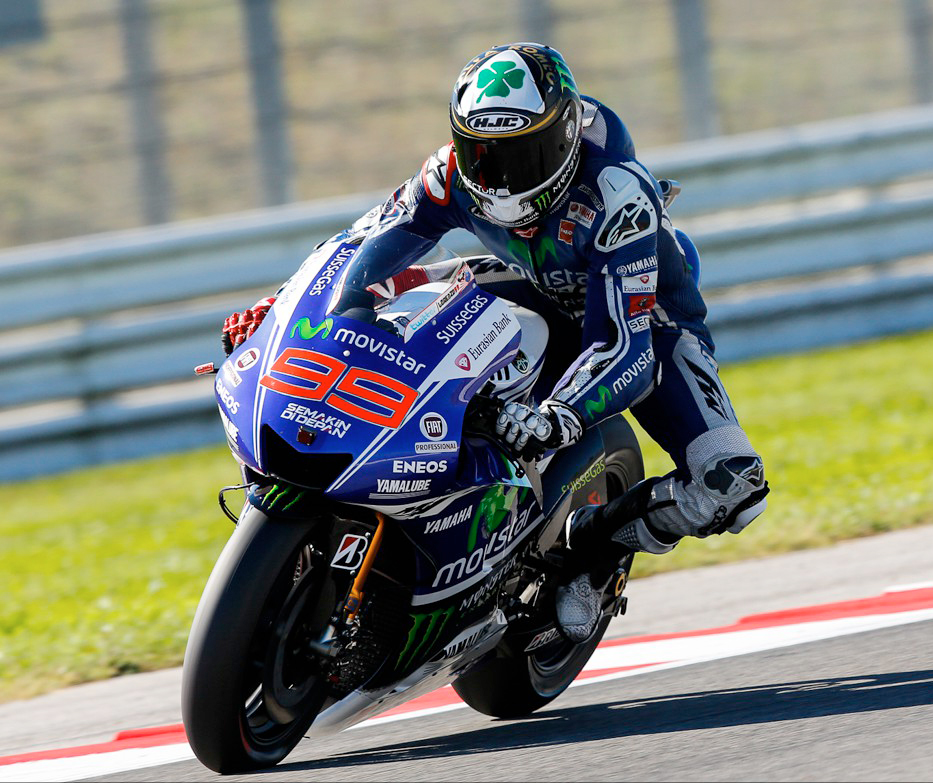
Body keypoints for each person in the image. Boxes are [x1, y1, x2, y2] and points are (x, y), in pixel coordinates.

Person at [222, 43, 769, 642]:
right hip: (528, 289)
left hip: (645, 326)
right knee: (405, 322)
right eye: (482, 156)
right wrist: (280, 310)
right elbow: (360, 247)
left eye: (523, 156)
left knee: (734, 486)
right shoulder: (447, 175)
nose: (501, 181)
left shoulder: (616, 196)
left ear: (563, 137)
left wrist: (557, 416)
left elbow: (626, 349)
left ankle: (594, 548)